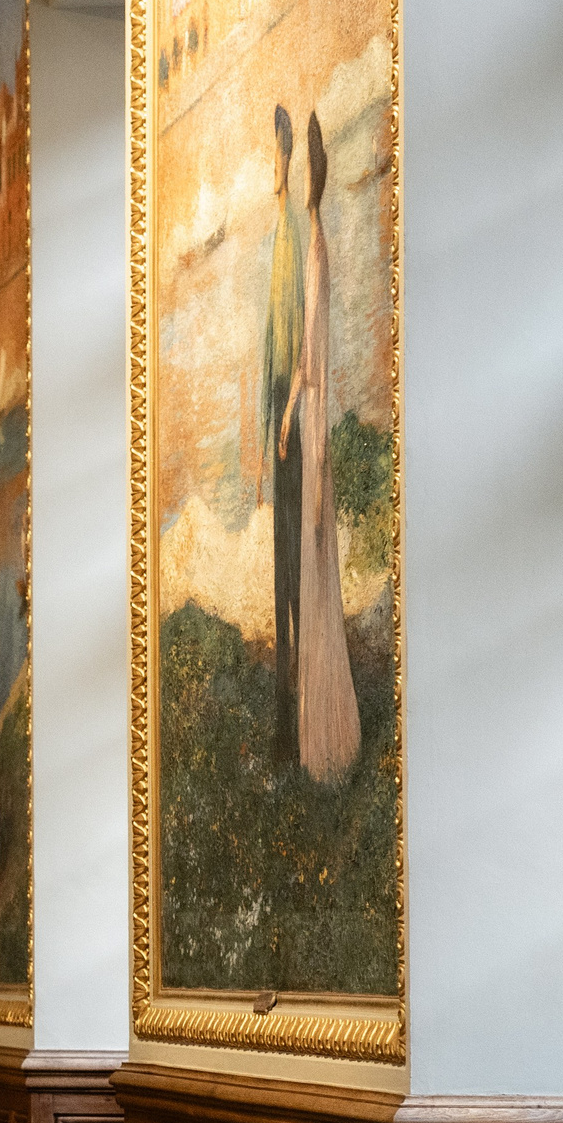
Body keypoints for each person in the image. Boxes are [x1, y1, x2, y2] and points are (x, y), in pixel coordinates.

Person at [284, 112, 360, 785]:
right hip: (315, 420)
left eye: (304, 167)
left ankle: (327, 740)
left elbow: (309, 356)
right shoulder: (318, 239)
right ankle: (324, 736)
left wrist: (285, 416)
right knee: (318, 562)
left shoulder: (314, 245)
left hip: (312, 425)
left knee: (314, 552)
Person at [258, 102, 306, 769]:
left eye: (277, 154)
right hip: (277, 416)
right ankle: (282, 711)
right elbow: (267, 341)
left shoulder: (293, 234)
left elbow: (295, 353)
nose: (270, 166)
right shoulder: (279, 230)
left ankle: (290, 722)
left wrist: (285, 420)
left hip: (290, 421)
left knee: (290, 567)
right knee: (278, 567)